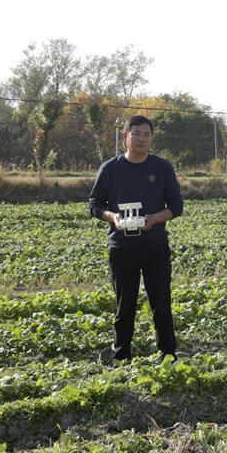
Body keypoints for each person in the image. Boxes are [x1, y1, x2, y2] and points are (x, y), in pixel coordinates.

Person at [88, 115, 184, 362]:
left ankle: (168, 354)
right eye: (136, 134)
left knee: (161, 304)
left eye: (147, 134)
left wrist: (154, 219)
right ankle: (121, 356)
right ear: (125, 137)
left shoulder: (162, 168)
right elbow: (95, 204)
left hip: (155, 246)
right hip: (122, 248)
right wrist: (113, 217)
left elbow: (176, 207)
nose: (142, 139)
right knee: (125, 305)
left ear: (151, 138)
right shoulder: (110, 169)